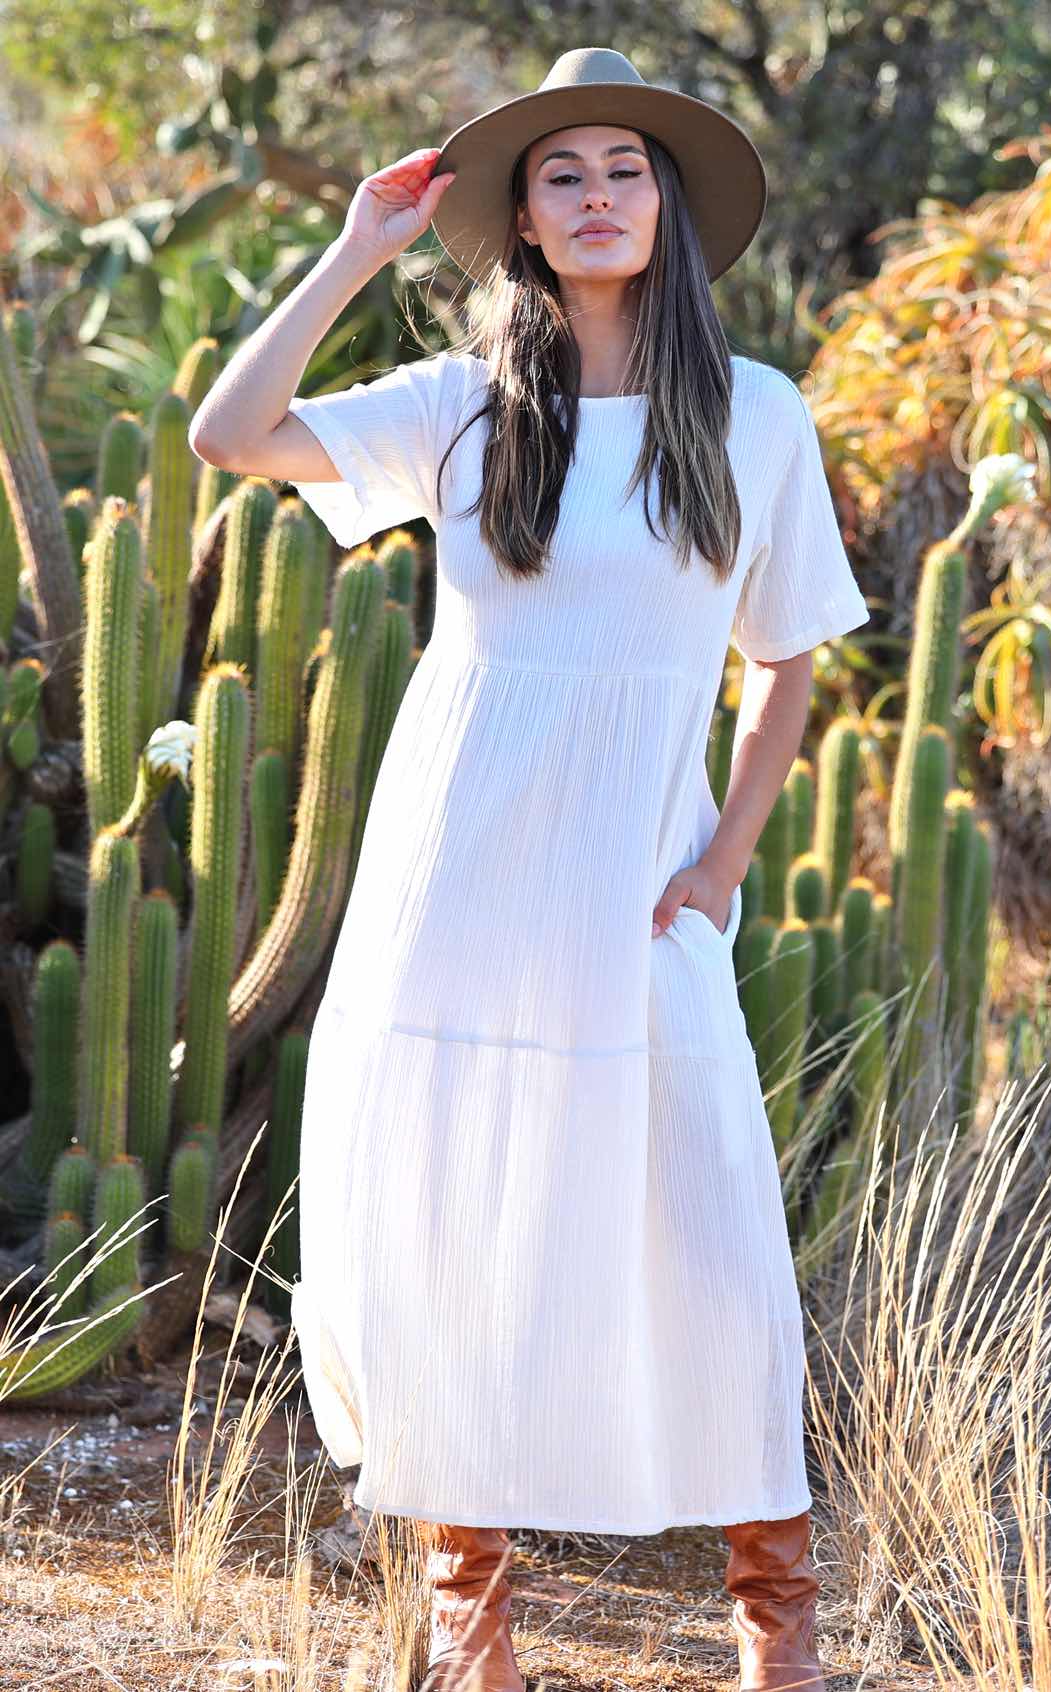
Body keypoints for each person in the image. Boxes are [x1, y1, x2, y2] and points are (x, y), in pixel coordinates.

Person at [190, 44, 869, 1692]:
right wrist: (359, 246)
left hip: (639, 883)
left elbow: (788, 660)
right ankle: (470, 1628)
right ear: (522, 221)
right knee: (456, 1212)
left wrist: (724, 858)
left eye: (621, 169)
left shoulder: (757, 416)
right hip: (460, 879)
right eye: (558, 175)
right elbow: (230, 432)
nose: (593, 195)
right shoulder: (465, 407)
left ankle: (775, 1627)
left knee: (705, 1223)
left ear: (668, 205)